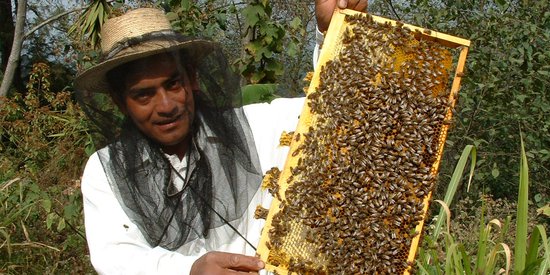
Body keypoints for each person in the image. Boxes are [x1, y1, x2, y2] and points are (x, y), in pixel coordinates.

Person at [75, 0, 368, 274]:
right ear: (119, 101)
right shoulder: (105, 170)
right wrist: (189, 270)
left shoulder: (259, 126)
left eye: (173, 84)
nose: (166, 106)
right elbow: (116, 258)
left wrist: (337, 30)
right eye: (144, 95)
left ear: (192, 79)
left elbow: (334, 109)